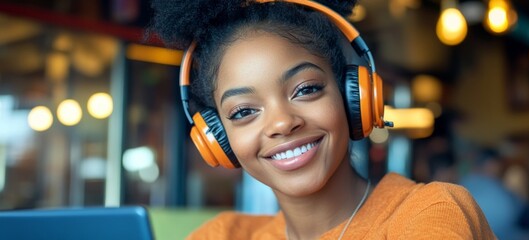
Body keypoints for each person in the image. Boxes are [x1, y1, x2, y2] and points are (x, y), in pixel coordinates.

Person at [149, 0, 495, 239]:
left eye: (306, 89)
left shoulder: (429, 213)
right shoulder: (220, 236)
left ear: (353, 97)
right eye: (243, 112)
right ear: (218, 139)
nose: (282, 123)